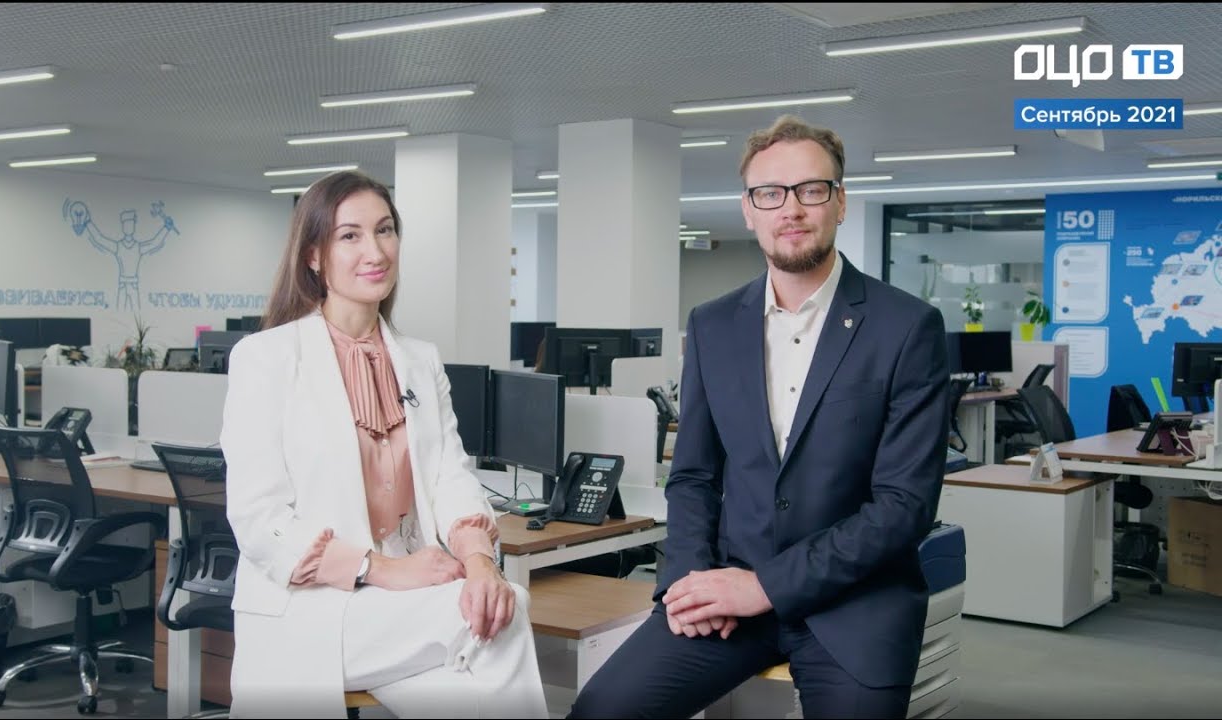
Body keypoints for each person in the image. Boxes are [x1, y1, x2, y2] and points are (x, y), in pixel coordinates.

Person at [570, 115, 949, 719]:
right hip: (729, 592)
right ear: (749, 210)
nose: (790, 209)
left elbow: (903, 507)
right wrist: (690, 581)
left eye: (810, 190)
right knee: (603, 709)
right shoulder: (712, 324)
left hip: (854, 604)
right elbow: (693, 476)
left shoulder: (906, 326)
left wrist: (766, 586)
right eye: (769, 193)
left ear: (840, 201)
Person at [220, 171, 548, 719]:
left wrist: (479, 562)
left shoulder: (420, 359)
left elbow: (449, 474)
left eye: (385, 230)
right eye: (349, 235)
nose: (375, 251)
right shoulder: (265, 358)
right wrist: (384, 570)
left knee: (491, 622)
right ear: (314, 256)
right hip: (311, 612)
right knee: (502, 612)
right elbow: (258, 520)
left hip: (402, 610)